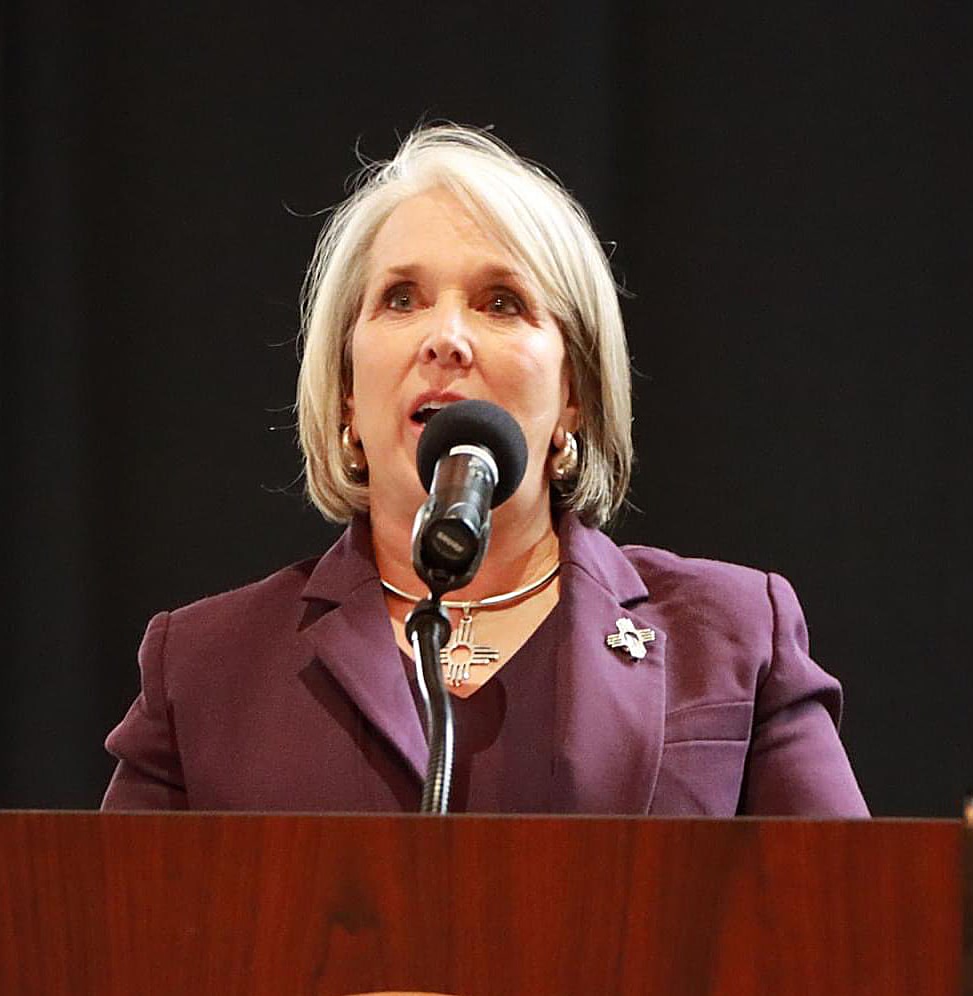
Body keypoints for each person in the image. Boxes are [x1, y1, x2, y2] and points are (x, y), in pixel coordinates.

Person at [101, 124, 868, 816]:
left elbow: (850, 915)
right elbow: (107, 925)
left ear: (573, 395)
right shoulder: (207, 667)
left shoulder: (730, 635)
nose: (445, 338)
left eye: (500, 303)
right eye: (401, 298)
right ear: (345, 393)